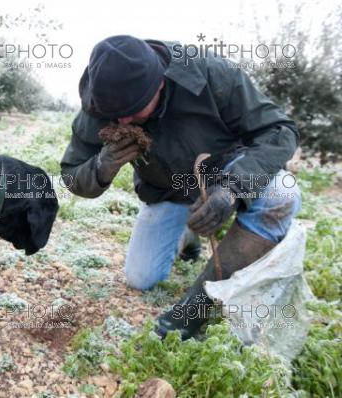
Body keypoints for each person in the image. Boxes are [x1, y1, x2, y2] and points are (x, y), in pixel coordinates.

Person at [60, 35, 301, 339]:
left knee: (282, 194)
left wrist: (232, 188)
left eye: (133, 110)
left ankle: (195, 309)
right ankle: (188, 235)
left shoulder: (209, 72)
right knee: (140, 277)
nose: (122, 119)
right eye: (115, 114)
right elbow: (71, 173)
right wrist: (100, 167)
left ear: (160, 83)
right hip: (166, 191)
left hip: (223, 174)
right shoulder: (101, 101)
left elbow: (280, 131)